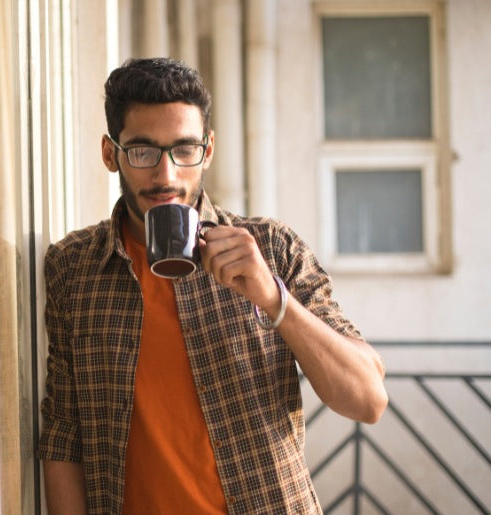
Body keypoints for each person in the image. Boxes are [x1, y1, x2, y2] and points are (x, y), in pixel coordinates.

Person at [38, 57, 388, 514]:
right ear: (111, 154)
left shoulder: (272, 249)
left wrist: (271, 296)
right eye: (143, 151)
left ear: (208, 150)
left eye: (184, 150)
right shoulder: (75, 267)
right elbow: (64, 436)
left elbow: (368, 399)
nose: (166, 176)